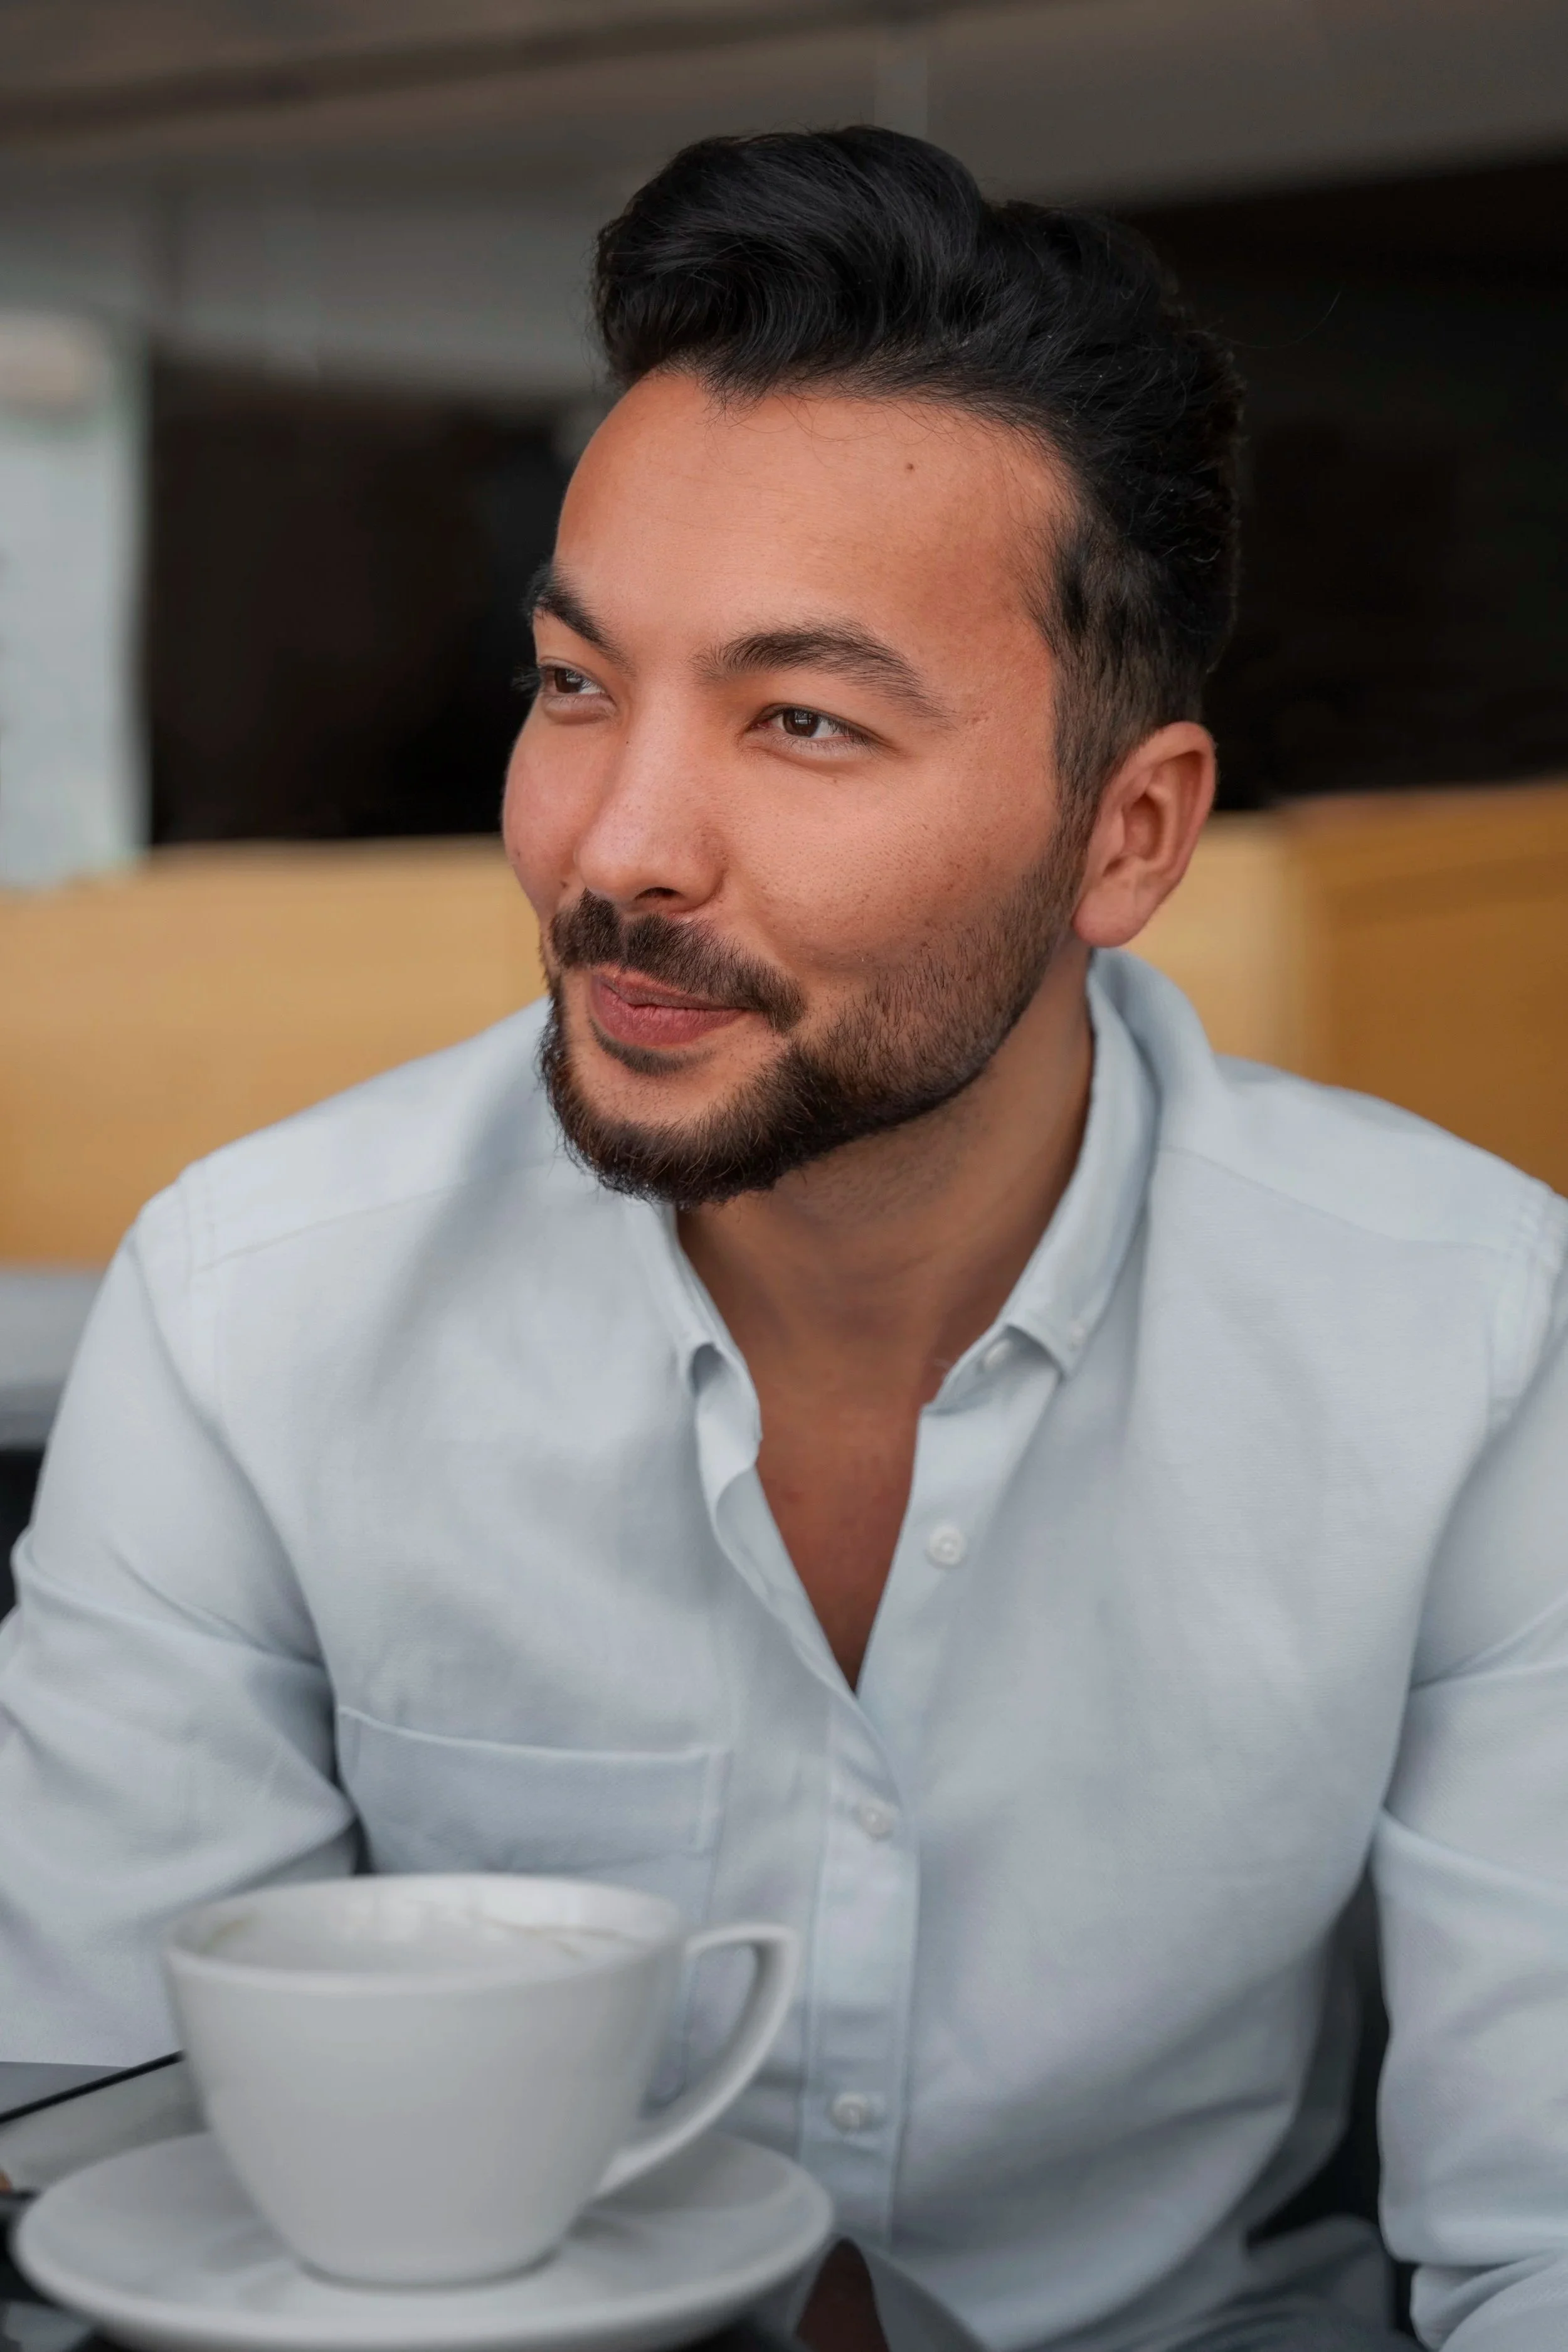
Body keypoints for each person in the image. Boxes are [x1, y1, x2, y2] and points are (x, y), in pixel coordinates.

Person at [1, 128, 1565, 2352]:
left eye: (802, 720)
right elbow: (90, 2174)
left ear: (1127, 833)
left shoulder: (1467, 1342)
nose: (616, 846)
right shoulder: (258, 1310)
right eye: (571, 684)